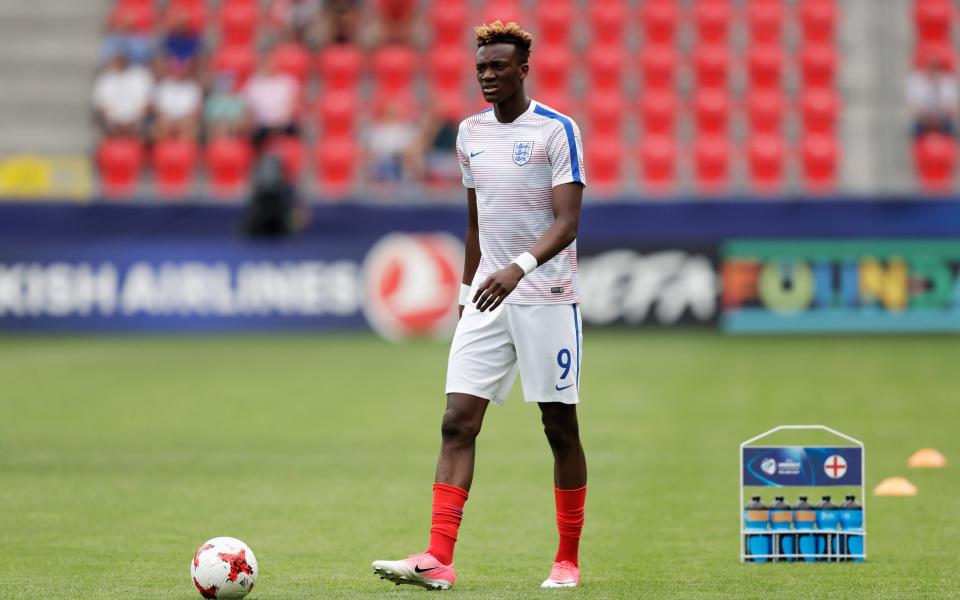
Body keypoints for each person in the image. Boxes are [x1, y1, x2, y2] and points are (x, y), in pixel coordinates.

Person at [372, 20, 588, 590]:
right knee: (456, 421)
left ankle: (567, 559)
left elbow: (567, 223)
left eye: (497, 66)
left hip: (545, 297)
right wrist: (469, 295)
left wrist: (518, 267)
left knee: (558, 427)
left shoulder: (557, 131)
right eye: (481, 68)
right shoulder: (468, 133)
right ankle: (438, 558)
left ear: (523, 68)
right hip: (489, 299)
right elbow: (474, 221)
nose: (487, 76)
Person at [93, 51, 154, 136]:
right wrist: (115, 122)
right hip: (113, 123)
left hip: (137, 123)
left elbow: (147, 104)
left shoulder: (141, 76)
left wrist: (133, 121)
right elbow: (100, 106)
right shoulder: (105, 79)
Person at [906, 52, 959, 138]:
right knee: (912, 130)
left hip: (943, 120)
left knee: (954, 129)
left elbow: (953, 108)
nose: (933, 70)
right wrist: (926, 117)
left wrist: (940, 117)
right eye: (931, 67)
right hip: (924, 120)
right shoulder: (917, 81)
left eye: (935, 67)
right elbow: (914, 107)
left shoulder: (949, 82)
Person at [151, 59, 202, 140]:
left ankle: (184, 151)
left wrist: (182, 121)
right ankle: (163, 151)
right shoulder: (163, 85)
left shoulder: (193, 86)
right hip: (166, 119)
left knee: (189, 128)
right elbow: (156, 108)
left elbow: (196, 110)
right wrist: (168, 120)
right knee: (161, 125)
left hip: (186, 120)